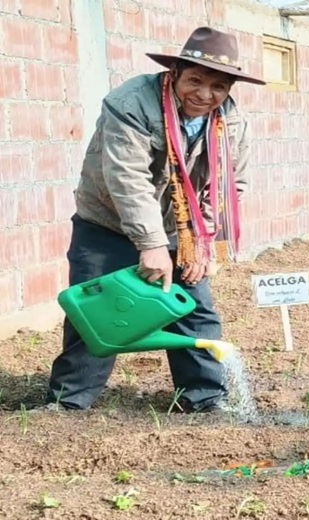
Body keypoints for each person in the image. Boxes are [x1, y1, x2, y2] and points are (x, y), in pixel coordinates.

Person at [39, 27, 265, 413]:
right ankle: (68, 403)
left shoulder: (231, 122)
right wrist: (151, 244)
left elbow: (227, 186)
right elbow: (127, 178)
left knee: (195, 308)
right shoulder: (131, 103)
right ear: (175, 72)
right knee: (96, 312)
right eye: (195, 80)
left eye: (218, 87)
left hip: (181, 227)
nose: (205, 95)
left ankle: (204, 399)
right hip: (107, 222)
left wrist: (203, 242)